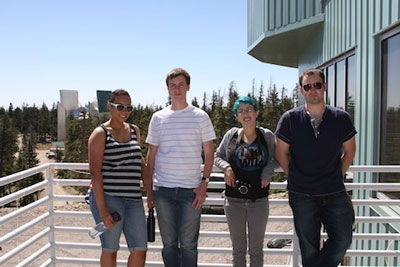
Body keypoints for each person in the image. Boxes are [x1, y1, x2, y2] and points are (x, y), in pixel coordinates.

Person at [275, 69, 357, 267]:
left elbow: (350, 152)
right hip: (302, 194)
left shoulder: (340, 118)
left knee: (342, 240)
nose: (313, 90)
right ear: (302, 90)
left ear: (324, 87)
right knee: (308, 248)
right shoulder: (290, 119)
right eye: (308, 86)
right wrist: (296, 175)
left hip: (334, 192)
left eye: (317, 85)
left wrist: (337, 175)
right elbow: (280, 153)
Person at [145, 68, 216, 267]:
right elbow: (151, 155)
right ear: (167, 88)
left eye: (181, 85)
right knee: (168, 245)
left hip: (191, 191)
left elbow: (209, 154)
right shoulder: (158, 118)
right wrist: (149, 191)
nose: (177, 89)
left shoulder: (200, 116)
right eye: (173, 85)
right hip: (163, 191)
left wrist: (204, 184)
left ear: (188, 87)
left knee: (189, 245)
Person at [214, 96, 278, 267]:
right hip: (233, 200)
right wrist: (226, 167)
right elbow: (217, 157)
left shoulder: (266, 136)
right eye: (240, 111)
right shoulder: (231, 135)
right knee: (238, 250)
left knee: (256, 250)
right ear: (237, 116)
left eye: (249, 109)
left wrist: (268, 169)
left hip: (259, 200)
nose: (245, 113)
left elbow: (279, 158)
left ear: (257, 112)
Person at [88, 89, 147, 267]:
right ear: (109, 106)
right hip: (109, 198)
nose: (125, 111)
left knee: (139, 249)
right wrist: (103, 209)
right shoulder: (100, 133)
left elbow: (140, 161)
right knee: (110, 249)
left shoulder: (134, 130)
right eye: (120, 106)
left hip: (134, 199)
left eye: (129, 107)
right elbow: (95, 172)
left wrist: (150, 190)